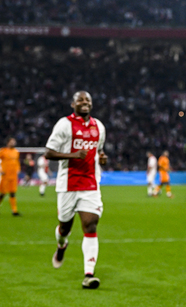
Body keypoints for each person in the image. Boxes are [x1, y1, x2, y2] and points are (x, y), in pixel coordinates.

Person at [45, 91, 108, 288]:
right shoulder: (64, 124)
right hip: (67, 185)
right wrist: (73, 155)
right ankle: (62, 243)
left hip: (90, 184)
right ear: (73, 104)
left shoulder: (99, 126)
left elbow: (99, 152)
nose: (84, 102)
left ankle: (89, 274)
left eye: (88, 100)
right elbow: (48, 153)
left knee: (90, 225)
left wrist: (102, 158)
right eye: (80, 100)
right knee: (65, 227)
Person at [0, 137, 21, 216]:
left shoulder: (16, 152)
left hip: (13, 176)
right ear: (8, 142)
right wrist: (1, 170)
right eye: (12, 142)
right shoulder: (3, 151)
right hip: (5, 176)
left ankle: (14, 211)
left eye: (14, 142)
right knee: (2, 193)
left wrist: (18, 169)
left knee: (12, 193)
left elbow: (17, 162)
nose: (13, 143)